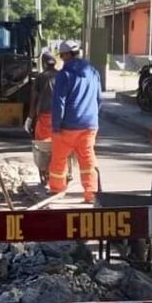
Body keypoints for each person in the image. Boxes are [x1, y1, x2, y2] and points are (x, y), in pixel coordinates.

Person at [49, 40, 101, 203]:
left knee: (59, 159)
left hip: (68, 126)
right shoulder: (92, 71)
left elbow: (59, 102)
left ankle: (57, 191)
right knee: (87, 159)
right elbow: (99, 99)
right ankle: (91, 193)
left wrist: (56, 125)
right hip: (89, 125)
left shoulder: (64, 74)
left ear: (65, 55)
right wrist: (92, 116)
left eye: (62, 56)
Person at [29, 51, 59, 184]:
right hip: (61, 117)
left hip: (44, 117)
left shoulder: (40, 78)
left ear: (43, 63)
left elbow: (34, 99)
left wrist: (30, 118)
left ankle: (46, 173)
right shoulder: (63, 76)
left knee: (43, 147)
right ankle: (63, 173)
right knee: (59, 145)